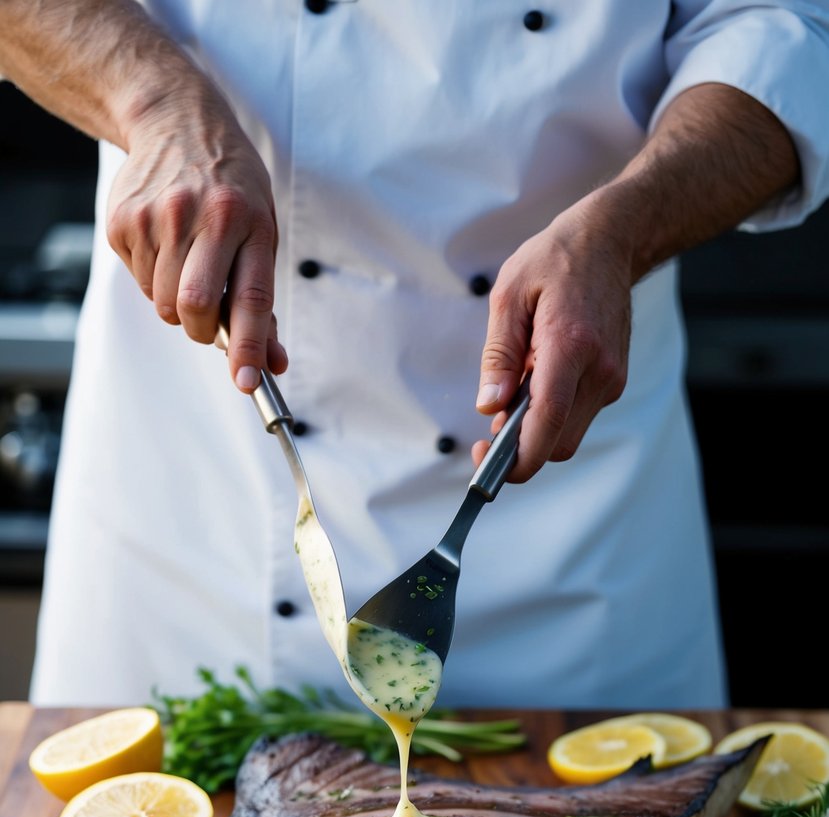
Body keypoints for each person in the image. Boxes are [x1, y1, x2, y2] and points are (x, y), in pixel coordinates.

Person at [2, 1, 827, 711]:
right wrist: (150, 101)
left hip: (578, 553)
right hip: (196, 518)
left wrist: (626, 228)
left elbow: (784, 23)